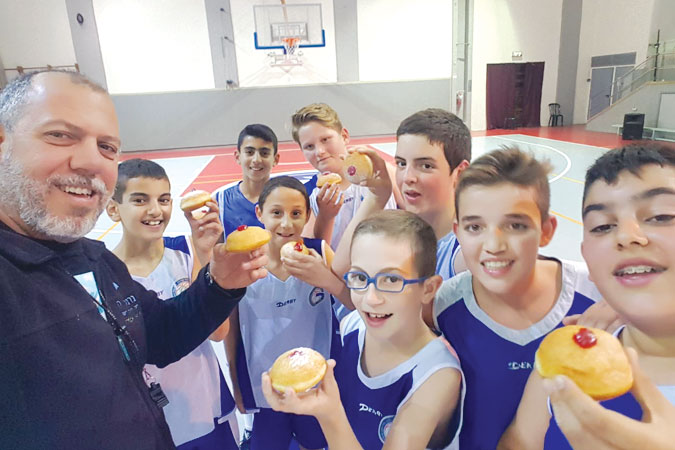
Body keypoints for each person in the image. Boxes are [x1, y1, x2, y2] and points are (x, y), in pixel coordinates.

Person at [0, 70, 267, 449]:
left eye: (107, 147)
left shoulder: (92, 259)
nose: (90, 161)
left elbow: (161, 333)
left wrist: (218, 285)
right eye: (60, 135)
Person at [498, 143, 675, 450]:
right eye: (603, 226)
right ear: (588, 260)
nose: (626, 235)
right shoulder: (569, 362)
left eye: (661, 216)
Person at [433, 147, 605, 450]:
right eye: (475, 227)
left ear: (546, 230)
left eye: (516, 225)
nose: (494, 244)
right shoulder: (443, 304)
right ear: (458, 232)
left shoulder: (595, 293)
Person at [262, 210, 463, 450]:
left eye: (391, 280)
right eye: (359, 277)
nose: (370, 298)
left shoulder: (437, 376)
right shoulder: (353, 326)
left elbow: (336, 418)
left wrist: (329, 414)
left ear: (428, 289)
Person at [106, 158, 238, 449]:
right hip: (149, 419)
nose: (155, 210)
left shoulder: (186, 250)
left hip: (206, 403)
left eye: (163, 199)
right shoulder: (105, 273)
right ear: (114, 209)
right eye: (140, 200)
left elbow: (218, 332)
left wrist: (205, 254)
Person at [228, 176, 351, 450]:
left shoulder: (319, 253)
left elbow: (354, 303)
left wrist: (326, 279)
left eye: (296, 213)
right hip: (265, 385)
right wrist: (237, 384)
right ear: (259, 213)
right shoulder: (244, 263)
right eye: (276, 213)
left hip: (316, 381)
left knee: (317, 444)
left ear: (307, 215)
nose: (286, 224)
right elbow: (231, 331)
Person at [291, 103, 399, 248]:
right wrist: (325, 217)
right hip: (342, 262)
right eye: (309, 146)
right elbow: (314, 250)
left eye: (325, 139)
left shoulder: (379, 169)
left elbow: (415, 215)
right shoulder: (308, 195)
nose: (319, 151)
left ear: (344, 136)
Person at [394, 108, 471, 279]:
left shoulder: (465, 256)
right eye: (401, 163)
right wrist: (377, 197)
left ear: (460, 173)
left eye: (426, 166)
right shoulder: (399, 234)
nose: (407, 178)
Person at [214, 124, 280, 237]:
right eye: (249, 152)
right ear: (237, 156)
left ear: (275, 159)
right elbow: (211, 245)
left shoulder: (287, 199)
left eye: (264, 153)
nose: (256, 160)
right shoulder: (219, 202)